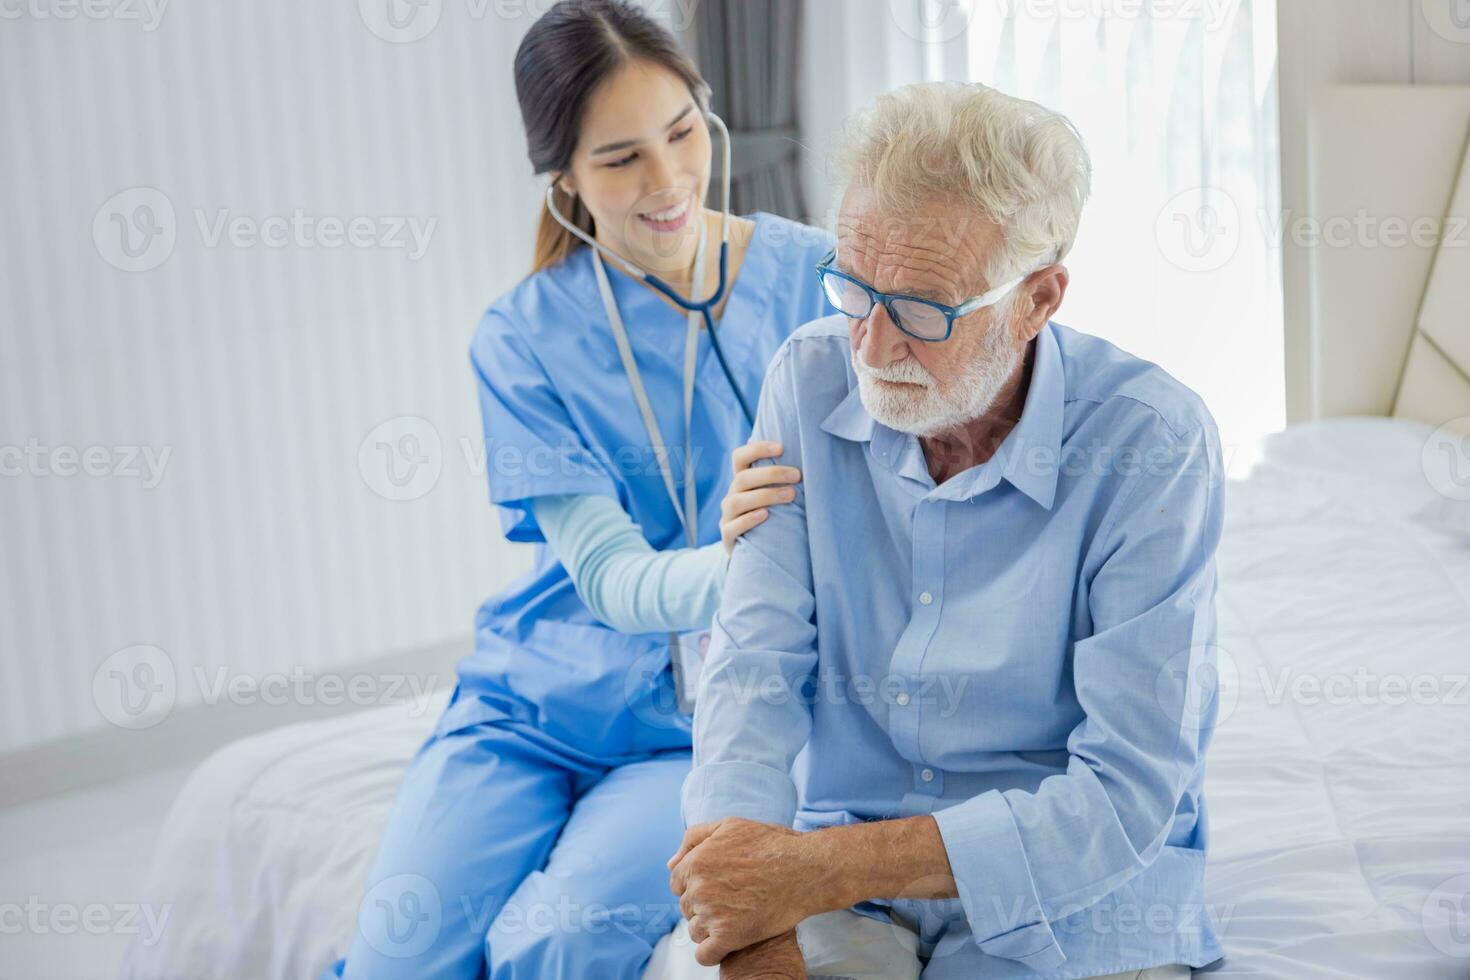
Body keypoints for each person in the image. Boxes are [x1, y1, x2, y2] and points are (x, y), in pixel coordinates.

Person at [658, 81, 1227, 980]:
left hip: (1070, 897)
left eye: (923, 312)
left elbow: (1127, 796)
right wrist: (753, 926)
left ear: (1037, 300)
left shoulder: (1152, 444)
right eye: (853, 290)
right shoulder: (808, 379)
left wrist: (808, 872)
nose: (873, 350)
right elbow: (751, 675)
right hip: (833, 881)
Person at [324, 1, 834, 976]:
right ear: (563, 175)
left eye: (682, 133)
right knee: (397, 954)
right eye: (620, 158)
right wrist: (747, 559)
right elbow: (607, 578)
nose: (668, 179)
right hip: (530, 703)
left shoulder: (814, 278)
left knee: (552, 944)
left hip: (694, 729)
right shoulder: (520, 337)